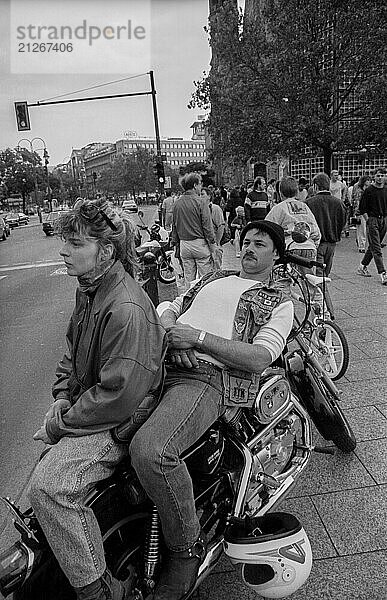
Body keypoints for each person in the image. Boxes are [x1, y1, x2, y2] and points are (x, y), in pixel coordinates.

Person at [130, 220, 294, 600]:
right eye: (247, 241)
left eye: (260, 244)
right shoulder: (212, 278)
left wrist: (199, 339)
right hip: (160, 361)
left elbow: (259, 356)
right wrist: (176, 335)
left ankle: (186, 549)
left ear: (276, 255)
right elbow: (168, 306)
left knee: (151, 450)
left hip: (207, 379)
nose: (250, 248)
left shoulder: (277, 298)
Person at [28, 199, 166, 600]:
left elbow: (118, 395)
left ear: (105, 251)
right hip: (95, 408)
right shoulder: (89, 289)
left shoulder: (124, 307)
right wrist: (60, 396)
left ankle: (99, 590)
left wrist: (60, 423)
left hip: (123, 418)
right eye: (64, 241)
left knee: (50, 488)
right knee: (38, 488)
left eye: (74, 243)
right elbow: (72, 351)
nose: (63, 250)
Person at [266, 176, 321, 267]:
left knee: (290, 279)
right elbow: (315, 229)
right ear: (296, 192)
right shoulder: (305, 207)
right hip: (309, 247)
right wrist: (314, 244)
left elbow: (268, 229)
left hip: (291, 248)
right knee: (309, 279)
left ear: (280, 193)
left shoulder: (278, 208)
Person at [172, 172, 217, 284]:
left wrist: (176, 243)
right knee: (205, 278)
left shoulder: (177, 203)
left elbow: (175, 226)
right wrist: (212, 245)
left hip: (184, 244)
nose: (201, 186)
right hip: (199, 243)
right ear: (195, 185)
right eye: (200, 184)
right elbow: (207, 226)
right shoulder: (201, 202)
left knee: (189, 278)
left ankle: (189, 299)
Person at [306, 172, 346, 276]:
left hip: (317, 242)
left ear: (315, 186)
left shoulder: (308, 203)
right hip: (332, 242)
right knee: (325, 273)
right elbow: (343, 221)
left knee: (319, 276)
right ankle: (323, 291)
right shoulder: (339, 203)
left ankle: (322, 292)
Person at [357, 167, 387, 285]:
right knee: (377, 248)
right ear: (374, 176)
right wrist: (368, 220)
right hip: (373, 219)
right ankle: (383, 273)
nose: (380, 178)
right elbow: (362, 208)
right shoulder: (369, 190)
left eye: (382, 175)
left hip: (384, 219)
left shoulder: (385, 189)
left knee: (375, 245)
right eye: (378, 175)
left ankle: (362, 266)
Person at [205, 188, 225, 270]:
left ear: (209, 196)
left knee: (216, 268)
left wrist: (217, 242)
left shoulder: (215, 208)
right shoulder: (200, 209)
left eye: (202, 194)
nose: (199, 196)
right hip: (205, 244)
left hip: (214, 244)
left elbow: (221, 225)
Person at [352, 175, 371, 252]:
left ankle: (361, 242)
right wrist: (357, 213)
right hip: (361, 212)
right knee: (362, 229)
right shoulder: (359, 191)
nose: (369, 182)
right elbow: (356, 202)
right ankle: (361, 246)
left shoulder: (369, 190)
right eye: (368, 180)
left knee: (364, 229)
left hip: (368, 212)